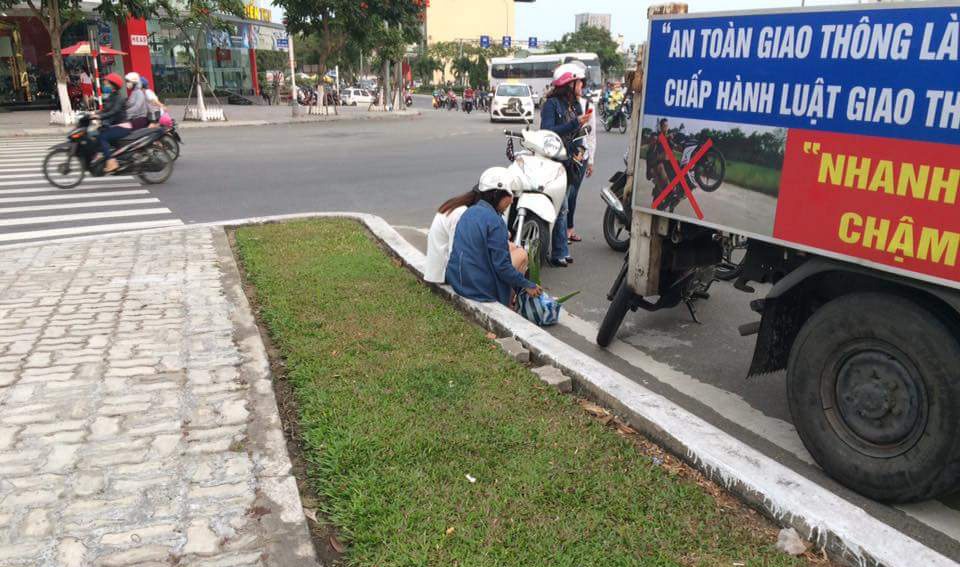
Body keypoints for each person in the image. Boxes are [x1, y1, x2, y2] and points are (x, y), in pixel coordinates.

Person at [445, 167, 542, 307]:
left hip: (457, 280)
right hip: (478, 290)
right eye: (510, 194)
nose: (512, 200)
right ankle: (508, 306)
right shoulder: (495, 222)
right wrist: (527, 284)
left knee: (513, 250)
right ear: (497, 194)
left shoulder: (469, 212)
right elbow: (502, 268)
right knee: (521, 254)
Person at [540, 63, 591, 268]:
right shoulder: (551, 105)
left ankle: (561, 250)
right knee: (560, 207)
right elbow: (547, 131)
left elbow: (579, 134)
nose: (582, 86)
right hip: (553, 160)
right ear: (568, 84)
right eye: (579, 82)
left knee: (565, 206)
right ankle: (558, 252)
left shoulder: (575, 105)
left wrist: (581, 150)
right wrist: (574, 123)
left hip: (571, 160)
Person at [566, 61, 597, 244]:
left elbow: (592, 135)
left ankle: (569, 229)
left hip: (581, 156)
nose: (580, 86)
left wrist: (591, 160)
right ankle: (563, 230)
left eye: (580, 83)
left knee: (573, 194)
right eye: (577, 83)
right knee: (565, 194)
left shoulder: (587, 105)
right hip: (564, 154)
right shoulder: (561, 104)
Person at [97, 73, 131, 173]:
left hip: (122, 126)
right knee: (100, 132)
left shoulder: (119, 97)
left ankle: (111, 162)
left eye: (106, 83)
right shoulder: (112, 96)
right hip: (115, 125)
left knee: (102, 137)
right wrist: (94, 113)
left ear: (113, 84)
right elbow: (106, 109)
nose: (105, 85)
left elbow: (113, 111)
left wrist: (99, 116)